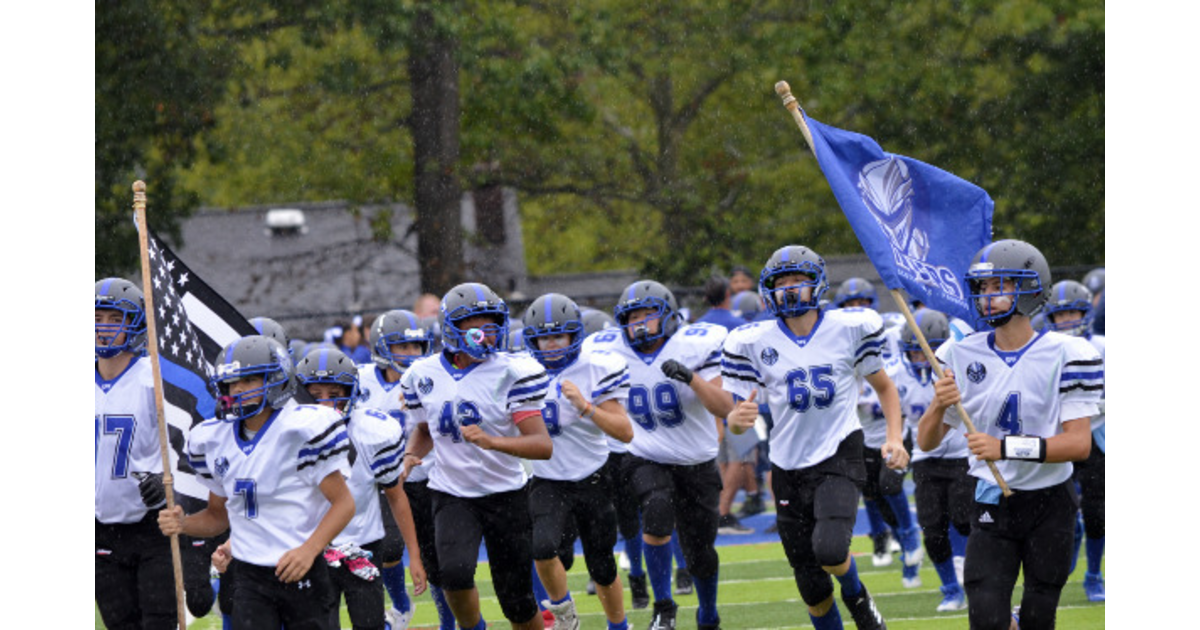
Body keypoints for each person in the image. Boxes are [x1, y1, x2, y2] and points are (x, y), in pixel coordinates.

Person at [717, 245, 908, 630]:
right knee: (811, 584)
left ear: (816, 283)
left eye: (797, 280)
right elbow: (736, 424)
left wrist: (895, 437)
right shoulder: (751, 341)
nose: (788, 289)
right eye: (780, 282)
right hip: (787, 463)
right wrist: (737, 419)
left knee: (831, 550)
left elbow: (885, 388)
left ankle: (857, 597)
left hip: (840, 451)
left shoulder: (849, 327)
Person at [916, 239, 1101, 630]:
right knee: (985, 618)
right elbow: (926, 442)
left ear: (1031, 288)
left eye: (1000, 285)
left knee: (1038, 618)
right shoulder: (960, 353)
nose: (987, 296)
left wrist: (1002, 447)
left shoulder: (1071, 352)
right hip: (992, 497)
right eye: (983, 287)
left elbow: (1078, 444)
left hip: (1051, 502)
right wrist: (937, 404)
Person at [158, 334, 357, 630]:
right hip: (249, 577)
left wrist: (310, 549)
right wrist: (183, 524)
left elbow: (344, 504)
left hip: (302, 570)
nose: (237, 389)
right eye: (232, 382)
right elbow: (217, 516)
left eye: (249, 380)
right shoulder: (213, 439)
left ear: (276, 380)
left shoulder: (302, 429)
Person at [398, 282, 553, 630]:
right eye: (475, 325)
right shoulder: (422, 375)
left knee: (517, 599)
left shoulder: (512, 371)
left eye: (492, 324)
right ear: (451, 327)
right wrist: (410, 455)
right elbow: (425, 430)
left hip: (506, 493)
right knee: (453, 573)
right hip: (452, 493)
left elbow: (542, 445)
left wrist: (493, 442)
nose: (487, 333)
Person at [584, 280, 728, 630]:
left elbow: (724, 406)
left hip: (696, 460)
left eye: (647, 314)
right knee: (657, 511)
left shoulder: (694, 344)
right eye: (631, 316)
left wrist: (691, 378)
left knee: (701, 553)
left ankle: (708, 611)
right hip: (644, 454)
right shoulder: (607, 350)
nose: (638, 323)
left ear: (667, 316)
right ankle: (663, 606)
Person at [521, 293, 636, 630]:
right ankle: (564, 613)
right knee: (541, 548)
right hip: (547, 478)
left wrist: (586, 406)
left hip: (594, 476)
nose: (553, 344)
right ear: (533, 339)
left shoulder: (597, 366)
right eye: (545, 336)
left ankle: (618, 625)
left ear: (575, 335)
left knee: (602, 565)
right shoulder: (520, 371)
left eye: (560, 335)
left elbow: (624, 432)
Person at [295, 346, 428, 630]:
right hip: (311, 550)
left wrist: (414, 556)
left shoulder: (374, 433)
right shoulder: (287, 435)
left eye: (334, 395)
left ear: (352, 392)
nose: (324, 405)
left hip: (362, 549)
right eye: (314, 396)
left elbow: (395, 495)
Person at [365, 309, 457, 630]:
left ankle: (448, 622)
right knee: (388, 548)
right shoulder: (362, 382)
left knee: (437, 561)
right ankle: (402, 607)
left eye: (416, 347)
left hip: (429, 479)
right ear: (380, 346)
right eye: (401, 347)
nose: (410, 354)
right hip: (384, 482)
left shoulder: (428, 377)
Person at [95, 278, 179, 629]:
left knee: (159, 623)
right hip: (99, 528)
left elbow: (185, 447)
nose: (103, 326)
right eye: (97, 316)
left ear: (135, 323)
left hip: (152, 524)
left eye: (115, 318)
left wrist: (166, 481)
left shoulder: (154, 380)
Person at [833, 278, 923, 585]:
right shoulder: (837, 341)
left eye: (862, 303)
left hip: (894, 428)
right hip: (863, 434)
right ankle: (901, 543)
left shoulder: (893, 331)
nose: (856, 310)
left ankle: (910, 535)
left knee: (890, 486)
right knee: (875, 497)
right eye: (849, 305)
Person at [895, 309, 972, 612]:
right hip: (925, 457)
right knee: (932, 528)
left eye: (928, 352)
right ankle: (950, 589)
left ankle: (968, 572)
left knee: (964, 519)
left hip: (960, 454)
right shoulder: (896, 375)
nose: (922, 359)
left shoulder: (959, 368)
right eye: (916, 352)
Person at [1044, 279, 1106, 602]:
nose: (1067, 321)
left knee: (1098, 513)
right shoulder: (1044, 350)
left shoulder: (1104, 347)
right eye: (1061, 315)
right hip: (1062, 437)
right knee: (1064, 510)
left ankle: (1094, 574)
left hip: (1096, 437)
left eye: (1073, 313)